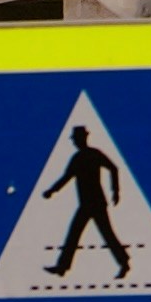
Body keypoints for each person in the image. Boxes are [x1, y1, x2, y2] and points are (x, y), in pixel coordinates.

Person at [47, 121, 133, 283]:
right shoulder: (80, 157)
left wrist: (116, 191)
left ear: (82, 139)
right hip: (88, 204)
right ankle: (62, 267)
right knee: (77, 233)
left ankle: (124, 263)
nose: (75, 142)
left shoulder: (90, 155)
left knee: (104, 234)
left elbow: (113, 168)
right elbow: (67, 177)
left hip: (95, 203)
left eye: (76, 139)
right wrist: (52, 191)